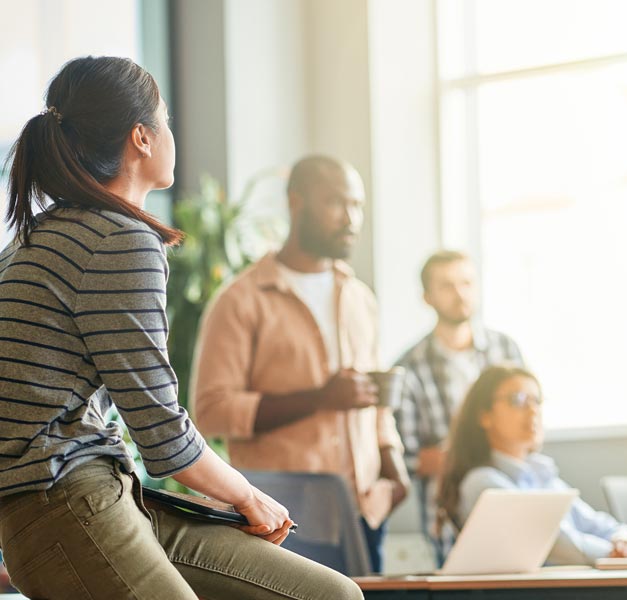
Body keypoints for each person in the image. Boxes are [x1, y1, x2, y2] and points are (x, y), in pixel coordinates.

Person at [0, 56, 361, 599]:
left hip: (96, 497)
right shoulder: (120, 240)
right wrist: (247, 496)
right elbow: (163, 436)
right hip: (64, 505)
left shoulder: (38, 237)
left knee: (333, 595)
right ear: (142, 138)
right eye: (165, 120)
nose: (173, 133)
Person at [191, 154, 409, 573]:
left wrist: (395, 476)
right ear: (297, 203)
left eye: (357, 205)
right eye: (336, 203)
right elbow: (212, 411)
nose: (351, 218)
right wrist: (320, 400)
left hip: (364, 515)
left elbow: (377, 405)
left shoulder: (360, 298)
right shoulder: (240, 300)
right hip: (285, 522)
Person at [435, 365, 627, 566]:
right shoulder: (482, 482)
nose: (532, 410)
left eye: (537, 400)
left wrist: (625, 540)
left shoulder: (543, 477)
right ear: (484, 415)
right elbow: (558, 545)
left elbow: (597, 524)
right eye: (518, 400)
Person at [394, 251, 523, 558]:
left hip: (515, 502)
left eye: (466, 283)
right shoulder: (408, 368)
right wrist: (471, 455)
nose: (460, 293)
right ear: (427, 296)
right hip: (448, 520)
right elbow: (407, 458)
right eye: (447, 286)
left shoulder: (506, 350)